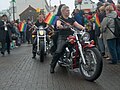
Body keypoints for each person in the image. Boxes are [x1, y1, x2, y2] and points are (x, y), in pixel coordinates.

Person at [50, 5, 85, 73]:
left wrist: (83, 28)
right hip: (62, 36)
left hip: (71, 36)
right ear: (63, 11)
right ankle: (52, 65)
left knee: (77, 46)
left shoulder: (71, 19)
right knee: (59, 51)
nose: (68, 12)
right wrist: (60, 26)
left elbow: (77, 25)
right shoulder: (60, 19)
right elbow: (58, 24)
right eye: (67, 10)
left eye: (69, 10)